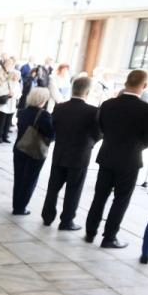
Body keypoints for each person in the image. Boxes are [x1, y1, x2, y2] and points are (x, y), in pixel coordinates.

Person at [85, 70, 148, 248]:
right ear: (144, 86)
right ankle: (109, 237)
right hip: (130, 160)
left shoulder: (108, 104)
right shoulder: (146, 110)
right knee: (121, 199)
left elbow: (101, 127)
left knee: (99, 196)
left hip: (107, 155)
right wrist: (136, 147)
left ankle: (90, 232)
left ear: (126, 82)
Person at [41, 77, 101, 230]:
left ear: (73, 88)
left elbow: (53, 127)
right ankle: (66, 221)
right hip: (79, 156)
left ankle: (47, 217)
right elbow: (98, 133)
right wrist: (90, 143)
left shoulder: (60, 107)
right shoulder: (93, 111)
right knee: (73, 190)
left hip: (60, 153)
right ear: (87, 92)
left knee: (53, 188)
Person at [12, 87, 55, 215]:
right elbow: (51, 135)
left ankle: (16, 205)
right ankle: (21, 208)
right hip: (35, 151)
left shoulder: (22, 112)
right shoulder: (44, 115)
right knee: (29, 180)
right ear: (43, 100)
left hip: (20, 148)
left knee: (19, 178)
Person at [0, 69, 22, 143]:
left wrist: (14, 95)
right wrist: (7, 93)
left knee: (8, 123)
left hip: (12, 106)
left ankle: (5, 136)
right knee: (1, 122)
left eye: (17, 76)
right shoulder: (6, 83)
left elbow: (19, 94)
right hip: (4, 106)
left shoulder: (17, 84)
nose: (16, 77)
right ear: (12, 75)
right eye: (15, 75)